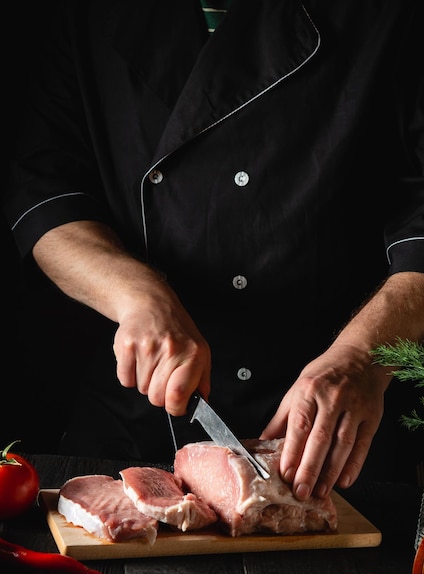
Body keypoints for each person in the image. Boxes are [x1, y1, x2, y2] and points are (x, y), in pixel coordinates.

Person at [2, 0, 424, 500]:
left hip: (337, 424)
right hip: (138, 416)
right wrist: (138, 298)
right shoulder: (87, 14)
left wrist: (361, 357)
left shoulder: (394, 16)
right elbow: (46, 194)